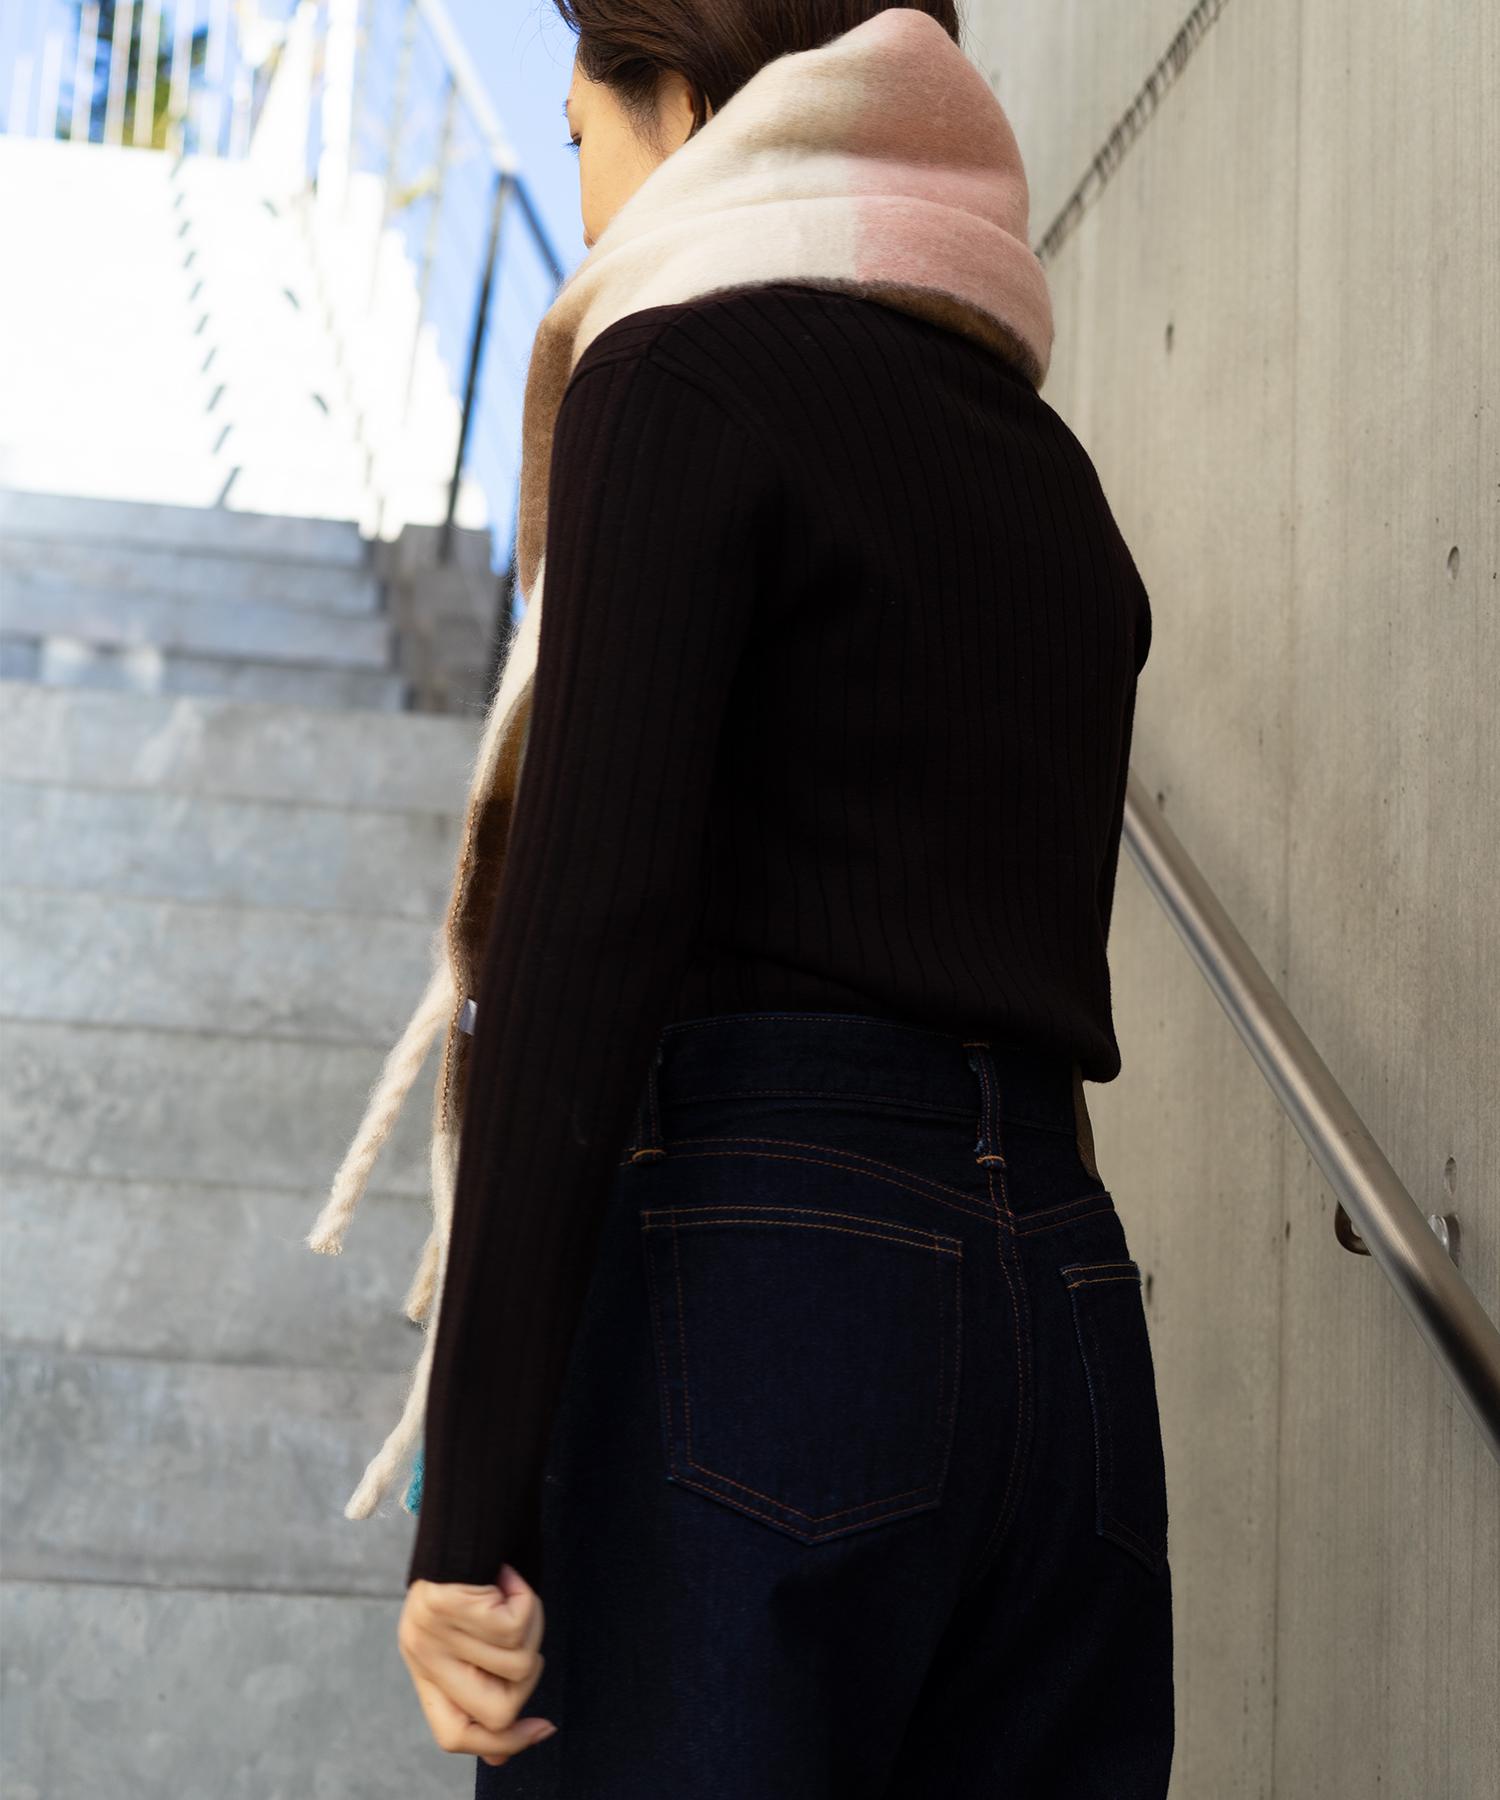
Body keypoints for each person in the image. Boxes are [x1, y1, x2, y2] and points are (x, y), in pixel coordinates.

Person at [391, 4, 1173, 1794]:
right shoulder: (1047, 469)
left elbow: (580, 940)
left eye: (580, 139)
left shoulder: (677, 374)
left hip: (762, 1288)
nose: (588, 209)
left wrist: (470, 1504)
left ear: (682, 102)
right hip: (1066, 1312)